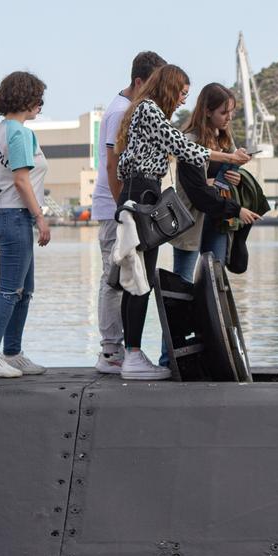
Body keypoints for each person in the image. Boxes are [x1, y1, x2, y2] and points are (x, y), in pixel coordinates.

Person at [114, 65, 254, 379]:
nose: (181, 101)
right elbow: (183, 148)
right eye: (181, 94)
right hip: (143, 191)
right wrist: (231, 159)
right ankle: (132, 355)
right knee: (139, 281)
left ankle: (131, 353)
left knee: (137, 278)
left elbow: (124, 162)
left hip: (140, 189)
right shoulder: (150, 111)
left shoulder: (140, 112)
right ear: (168, 88)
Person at [0, 71, 52, 379]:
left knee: (23, 290)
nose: (40, 106)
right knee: (10, 290)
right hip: (15, 216)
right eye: (38, 99)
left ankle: (13, 352)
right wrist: (40, 217)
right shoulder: (19, 133)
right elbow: (20, 180)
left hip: (1, 217)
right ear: (26, 99)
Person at [92, 51, 164, 374]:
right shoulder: (121, 111)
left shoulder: (126, 108)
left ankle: (118, 348)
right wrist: (124, 208)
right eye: (153, 85)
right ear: (139, 82)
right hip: (113, 207)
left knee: (123, 276)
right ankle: (110, 351)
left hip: (118, 206)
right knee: (113, 278)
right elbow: (111, 164)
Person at [171, 84, 262, 282]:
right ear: (207, 111)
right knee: (183, 280)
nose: (229, 118)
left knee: (216, 280)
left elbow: (226, 179)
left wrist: (236, 179)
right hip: (192, 218)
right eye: (224, 112)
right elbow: (198, 193)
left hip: (218, 219)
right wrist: (237, 210)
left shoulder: (225, 140)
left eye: (231, 112)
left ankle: (207, 314)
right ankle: (184, 314)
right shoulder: (190, 141)